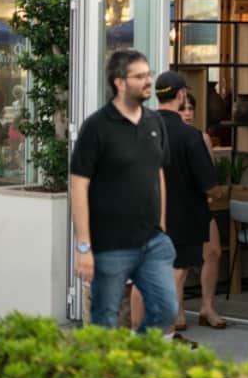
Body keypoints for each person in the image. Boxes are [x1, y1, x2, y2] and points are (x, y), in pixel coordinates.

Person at [70, 50, 177, 333]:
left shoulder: (155, 122)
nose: (148, 81)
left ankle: (132, 354)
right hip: (110, 246)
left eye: (148, 74)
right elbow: (79, 184)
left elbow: (158, 172)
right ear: (119, 83)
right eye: (139, 76)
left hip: (152, 242)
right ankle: (107, 362)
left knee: (166, 310)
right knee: (105, 322)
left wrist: (162, 227)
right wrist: (84, 246)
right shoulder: (97, 127)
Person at [153, 71, 226, 333]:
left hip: (147, 211)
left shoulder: (141, 129)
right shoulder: (189, 136)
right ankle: (168, 330)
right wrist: (219, 193)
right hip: (183, 213)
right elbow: (209, 184)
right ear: (182, 94)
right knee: (178, 269)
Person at [178, 90, 227, 329]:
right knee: (180, 262)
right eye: (183, 109)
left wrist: (211, 193)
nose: (188, 113)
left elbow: (209, 173)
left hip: (200, 205)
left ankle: (207, 307)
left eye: (191, 108)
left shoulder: (202, 138)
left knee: (213, 251)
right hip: (178, 206)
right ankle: (177, 311)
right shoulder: (167, 136)